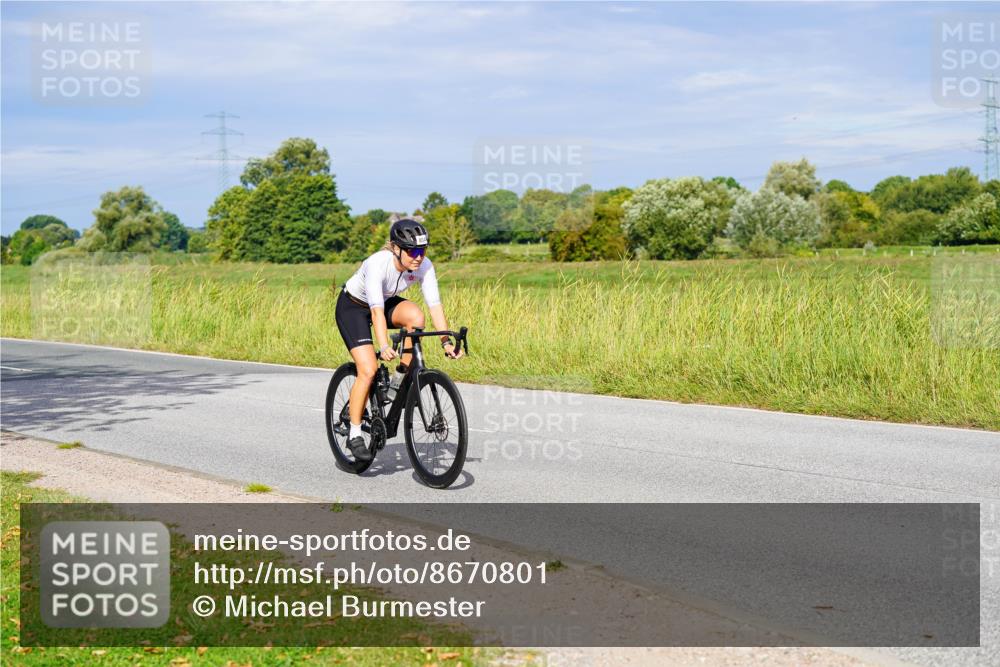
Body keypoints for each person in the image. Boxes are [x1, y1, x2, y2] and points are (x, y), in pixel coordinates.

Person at [335, 218, 464, 462]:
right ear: (396, 248)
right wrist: (383, 345)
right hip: (353, 307)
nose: (418, 257)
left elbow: (435, 306)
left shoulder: (424, 266)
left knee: (416, 316)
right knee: (369, 370)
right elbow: (375, 311)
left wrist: (446, 342)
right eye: (412, 251)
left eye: (422, 250)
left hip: (385, 302)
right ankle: (353, 434)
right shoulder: (377, 264)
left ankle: (398, 380)